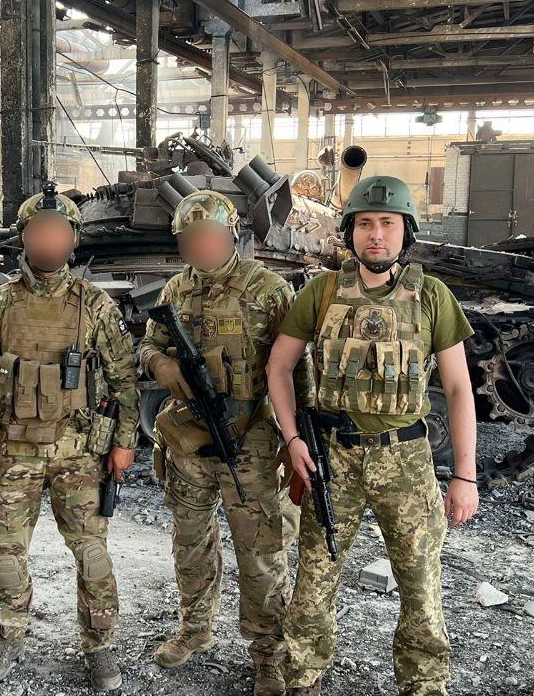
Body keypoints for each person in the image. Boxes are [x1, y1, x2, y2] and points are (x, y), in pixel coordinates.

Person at [265, 175, 480, 696]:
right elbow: (279, 368)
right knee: (314, 583)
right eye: (365, 224)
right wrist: (293, 440)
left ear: (406, 232)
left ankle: (423, 686)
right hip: (331, 458)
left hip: (406, 459)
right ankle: (303, 680)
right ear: (349, 232)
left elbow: (457, 389)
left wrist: (465, 475)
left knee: (421, 588)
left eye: (388, 224)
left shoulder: (431, 295)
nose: (376, 234)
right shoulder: (319, 292)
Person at [0, 185, 139, 692]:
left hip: (79, 453)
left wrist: (125, 441)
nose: (49, 239)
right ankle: (9, 635)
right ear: (24, 238)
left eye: (58, 231)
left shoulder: (94, 306)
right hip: (15, 454)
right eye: (39, 230)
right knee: (7, 553)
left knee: (92, 555)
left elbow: (123, 379)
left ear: (72, 239)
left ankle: (100, 645)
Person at [139, 190, 311, 696]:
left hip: (252, 444)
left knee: (260, 556)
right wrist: (160, 363)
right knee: (190, 544)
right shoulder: (175, 289)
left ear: (231, 234)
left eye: (210, 236)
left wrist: (298, 439)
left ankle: (268, 655)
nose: (201, 246)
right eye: (191, 239)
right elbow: (151, 341)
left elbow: (298, 369)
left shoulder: (269, 290)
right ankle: (196, 629)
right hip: (188, 442)